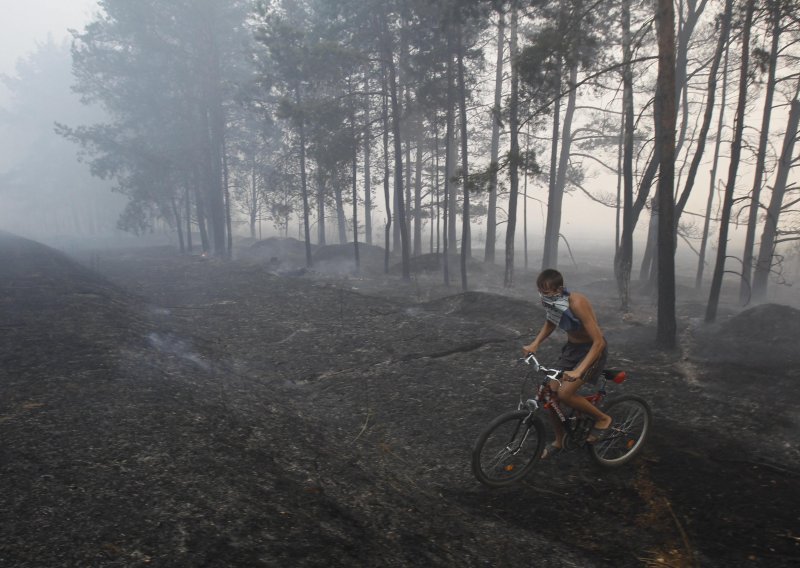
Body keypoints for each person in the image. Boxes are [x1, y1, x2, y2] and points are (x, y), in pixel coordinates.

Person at [522, 268, 612, 457]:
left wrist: (579, 371)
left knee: (564, 393)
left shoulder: (577, 303)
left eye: (547, 293)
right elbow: (551, 321)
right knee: (549, 393)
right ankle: (560, 440)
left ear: (559, 289)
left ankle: (602, 419)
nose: (543, 297)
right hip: (572, 350)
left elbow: (599, 341)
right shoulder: (552, 302)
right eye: (541, 292)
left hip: (592, 350)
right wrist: (535, 343)